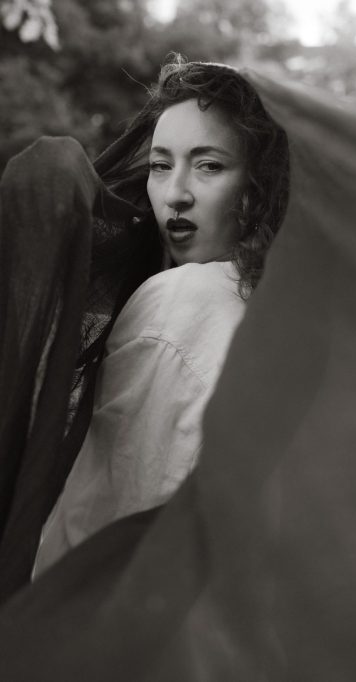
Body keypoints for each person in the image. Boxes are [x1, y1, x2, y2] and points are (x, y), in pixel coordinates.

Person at [0, 55, 290, 580]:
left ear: (256, 187)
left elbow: (99, 526)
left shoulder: (180, 302)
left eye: (208, 165)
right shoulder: (278, 309)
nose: (175, 194)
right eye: (160, 165)